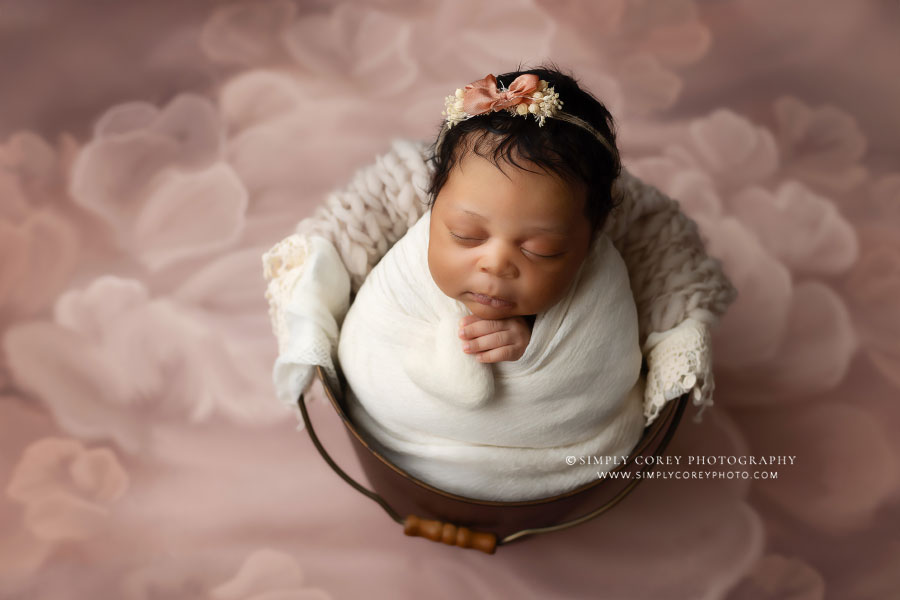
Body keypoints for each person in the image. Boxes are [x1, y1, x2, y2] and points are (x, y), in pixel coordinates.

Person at [262, 65, 736, 501]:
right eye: (466, 235)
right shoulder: (407, 249)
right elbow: (374, 329)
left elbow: (602, 362)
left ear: (590, 238)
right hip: (391, 436)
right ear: (433, 204)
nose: (496, 264)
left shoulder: (601, 273)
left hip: (552, 467)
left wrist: (539, 340)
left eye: (541, 249)